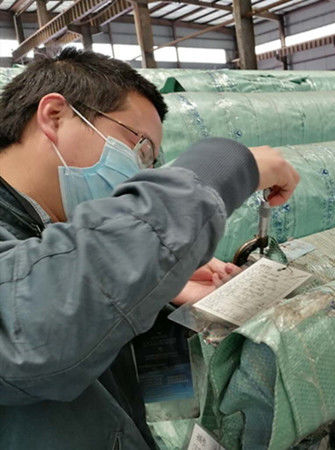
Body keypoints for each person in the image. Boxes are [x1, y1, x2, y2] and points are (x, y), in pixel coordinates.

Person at [0, 49, 300, 449]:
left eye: (152, 162)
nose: (140, 172)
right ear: (55, 116)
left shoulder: (44, 235)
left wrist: (159, 291)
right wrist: (225, 167)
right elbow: (30, 331)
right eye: (138, 147)